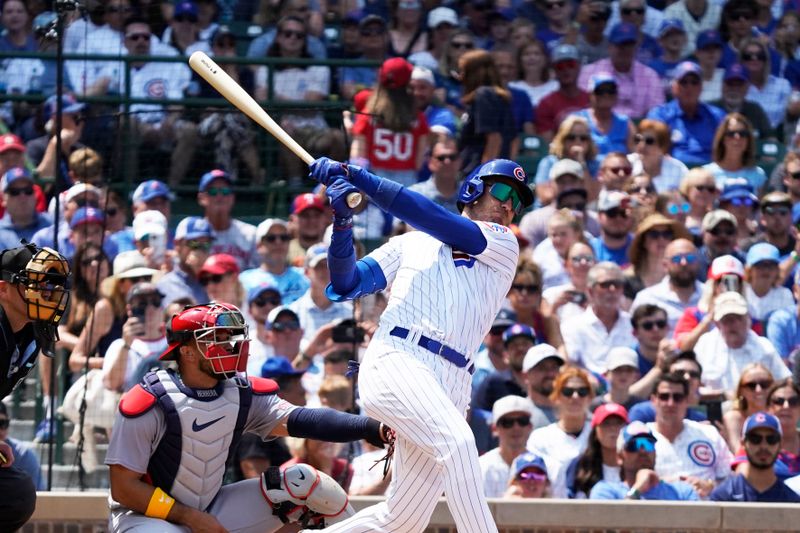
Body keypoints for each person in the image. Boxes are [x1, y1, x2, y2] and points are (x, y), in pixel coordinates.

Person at [306, 155, 535, 532]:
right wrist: (342, 223)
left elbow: (435, 218)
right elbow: (346, 284)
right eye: (504, 191)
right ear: (473, 189)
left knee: (402, 520)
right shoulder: (409, 244)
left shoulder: (503, 244)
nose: (510, 205)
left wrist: (356, 176)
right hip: (399, 357)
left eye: (519, 201)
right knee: (459, 445)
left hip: (454, 380)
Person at [106, 302, 395, 531]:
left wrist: (371, 427)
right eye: (215, 339)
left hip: (210, 508)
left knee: (303, 482)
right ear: (187, 353)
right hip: (146, 517)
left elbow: (303, 420)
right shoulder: (148, 400)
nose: (230, 346)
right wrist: (188, 516)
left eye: (231, 338)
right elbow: (124, 489)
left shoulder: (241, 393)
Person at [0, 243, 70, 530]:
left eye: (53, 288)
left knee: (14, 493)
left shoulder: (28, 334)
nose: (48, 295)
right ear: (3, 289)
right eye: (36, 285)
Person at [648, 372, 732, 497]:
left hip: (705, 510)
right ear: (653, 400)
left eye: (678, 397)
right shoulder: (641, 435)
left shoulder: (709, 434)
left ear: (687, 401)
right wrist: (663, 485)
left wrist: (710, 486)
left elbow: (729, 478)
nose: (671, 403)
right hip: (656, 510)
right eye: (664, 397)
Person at [350, 57, 430, 188]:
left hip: (375, 180)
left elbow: (358, 158)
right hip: (407, 181)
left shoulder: (367, 114)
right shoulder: (418, 117)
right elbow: (419, 162)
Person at [694, 291, 790, 393]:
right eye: (727, 320)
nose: (733, 324)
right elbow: (693, 386)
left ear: (748, 319)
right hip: (715, 406)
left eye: (738, 318)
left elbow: (784, 382)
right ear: (717, 324)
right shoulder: (705, 345)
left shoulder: (764, 347)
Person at [528, 367, 595, 498]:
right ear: (556, 397)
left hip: (595, 510)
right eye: (567, 391)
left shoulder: (598, 435)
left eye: (582, 391)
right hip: (552, 509)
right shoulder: (540, 438)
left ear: (590, 397)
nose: (575, 397)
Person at [590, 421, 699, 500]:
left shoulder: (682, 492)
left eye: (648, 444)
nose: (643, 451)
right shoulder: (605, 491)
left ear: (655, 453)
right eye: (634, 445)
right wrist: (637, 490)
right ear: (619, 457)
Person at [578, 23, 664, 120]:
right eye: (621, 45)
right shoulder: (590, 72)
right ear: (609, 47)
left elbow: (657, 114)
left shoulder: (650, 76)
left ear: (636, 47)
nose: (625, 50)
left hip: (640, 129)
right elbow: (582, 108)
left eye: (629, 45)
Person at [562, 261, 636, 374]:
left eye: (617, 285)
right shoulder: (572, 326)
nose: (612, 289)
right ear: (590, 291)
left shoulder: (633, 324)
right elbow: (570, 364)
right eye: (605, 285)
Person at [646, 61, 725, 165]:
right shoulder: (660, 115)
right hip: (673, 173)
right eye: (683, 82)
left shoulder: (716, 116)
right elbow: (653, 150)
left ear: (701, 87)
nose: (689, 87)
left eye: (694, 82)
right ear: (673, 86)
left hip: (709, 174)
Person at [711, 412, 800, 502]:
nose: (763, 446)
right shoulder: (724, 495)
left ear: (780, 444)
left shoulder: (791, 499)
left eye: (771, 439)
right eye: (755, 439)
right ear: (743, 443)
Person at [458, 49, 519, 176]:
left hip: (480, 173)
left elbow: (494, 138)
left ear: (474, 73)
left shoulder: (483, 95)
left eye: (463, 71)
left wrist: (484, 176)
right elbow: (514, 140)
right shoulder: (496, 96)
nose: (460, 76)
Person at [630, 237, 703, 334]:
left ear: (698, 262)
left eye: (690, 258)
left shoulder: (711, 296)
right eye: (676, 259)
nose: (684, 263)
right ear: (665, 265)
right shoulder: (647, 298)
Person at [197, 169, 257, 270]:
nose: (219, 196)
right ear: (201, 198)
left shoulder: (250, 234)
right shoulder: (192, 234)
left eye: (225, 191)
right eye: (213, 191)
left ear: (232, 198)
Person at [240, 218, 309, 304]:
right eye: (271, 238)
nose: (278, 242)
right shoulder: (244, 280)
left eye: (284, 238)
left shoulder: (305, 276)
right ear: (259, 246)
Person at [479, 395, 536, 498]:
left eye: (522, 421)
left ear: (530, 426)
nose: (516, 427)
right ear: (494, 429)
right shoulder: (480, 467)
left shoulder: (546, 466)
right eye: (507, 422)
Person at [568, 403, 628, 498]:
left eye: (619, 423)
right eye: (606, 423)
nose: (613, 428)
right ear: (595, 432)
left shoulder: (637, 462)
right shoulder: (580, 465)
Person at [535, 44, 590, 141]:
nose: (566, 70)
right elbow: (548, 141)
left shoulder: (590, 100)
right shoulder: (546, 104)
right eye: (560, 66)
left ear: (579, 67)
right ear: (554, 71)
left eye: (570, 65)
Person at [702, 113, 767, 192]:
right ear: (722, 139)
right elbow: (686, 204)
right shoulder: (706, 173)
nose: (737, 137)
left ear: (748, 140)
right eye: (731, 133)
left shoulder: (758, 175)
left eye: (743, 134)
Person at [573, 73, 635, 156]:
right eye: (600, 91)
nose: (606, 95)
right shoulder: (578, 119)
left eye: (611, 91)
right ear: (590, 94)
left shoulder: (625, 123)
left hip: (619, 168)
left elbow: (635, 154)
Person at [156, 216, 213, 306]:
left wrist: (204, 274)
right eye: (194, 243)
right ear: (177, 244)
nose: (199, 251)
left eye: (206, 244)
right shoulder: (165, 284)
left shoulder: (216, 280)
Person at [722, 364, 775, 452]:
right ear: (741, 390)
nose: (759, 390)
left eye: (764, 384)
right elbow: (737, 451)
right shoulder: (734, 418)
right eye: (751, 385)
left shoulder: (779, 414)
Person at [627, 120, 688, 194]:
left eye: (649, 141)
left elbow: (686, 203)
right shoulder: (627, 164)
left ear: (662, 147)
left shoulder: (678, 169)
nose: (641, 145)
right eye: (638, 139)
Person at [408, 136, 461, 214]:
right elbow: (402, 224)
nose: (447, 162)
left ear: (459, 161)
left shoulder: (473, 195)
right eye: (441, 158)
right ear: (430, 161)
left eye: (452, 157)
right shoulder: (414, 194)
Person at [522, 343, 566, 426]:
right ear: (526, 376)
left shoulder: (573, 411)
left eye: (554, 367)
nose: (550, 374)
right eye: (542, 368)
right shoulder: (518, 415)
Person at [767, 378, 800, 475]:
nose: (786, 406)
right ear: (768, 407)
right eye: (779, 401)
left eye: (793, 401)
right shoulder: (755, 441)